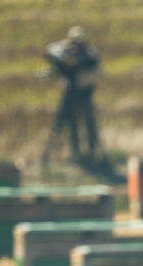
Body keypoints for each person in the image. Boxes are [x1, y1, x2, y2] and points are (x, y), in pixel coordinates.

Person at [41, 26, 101, 164]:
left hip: (84, 94)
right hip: (69, 93)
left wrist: (75, 63)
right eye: (74, 42)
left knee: (89, 125)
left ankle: (92, 153)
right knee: (70, 125)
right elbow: (51, 51)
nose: (76, 45)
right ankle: (74, 154)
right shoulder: (64, 51)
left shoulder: (89, 55)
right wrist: (64, 61)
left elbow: (92, 62)